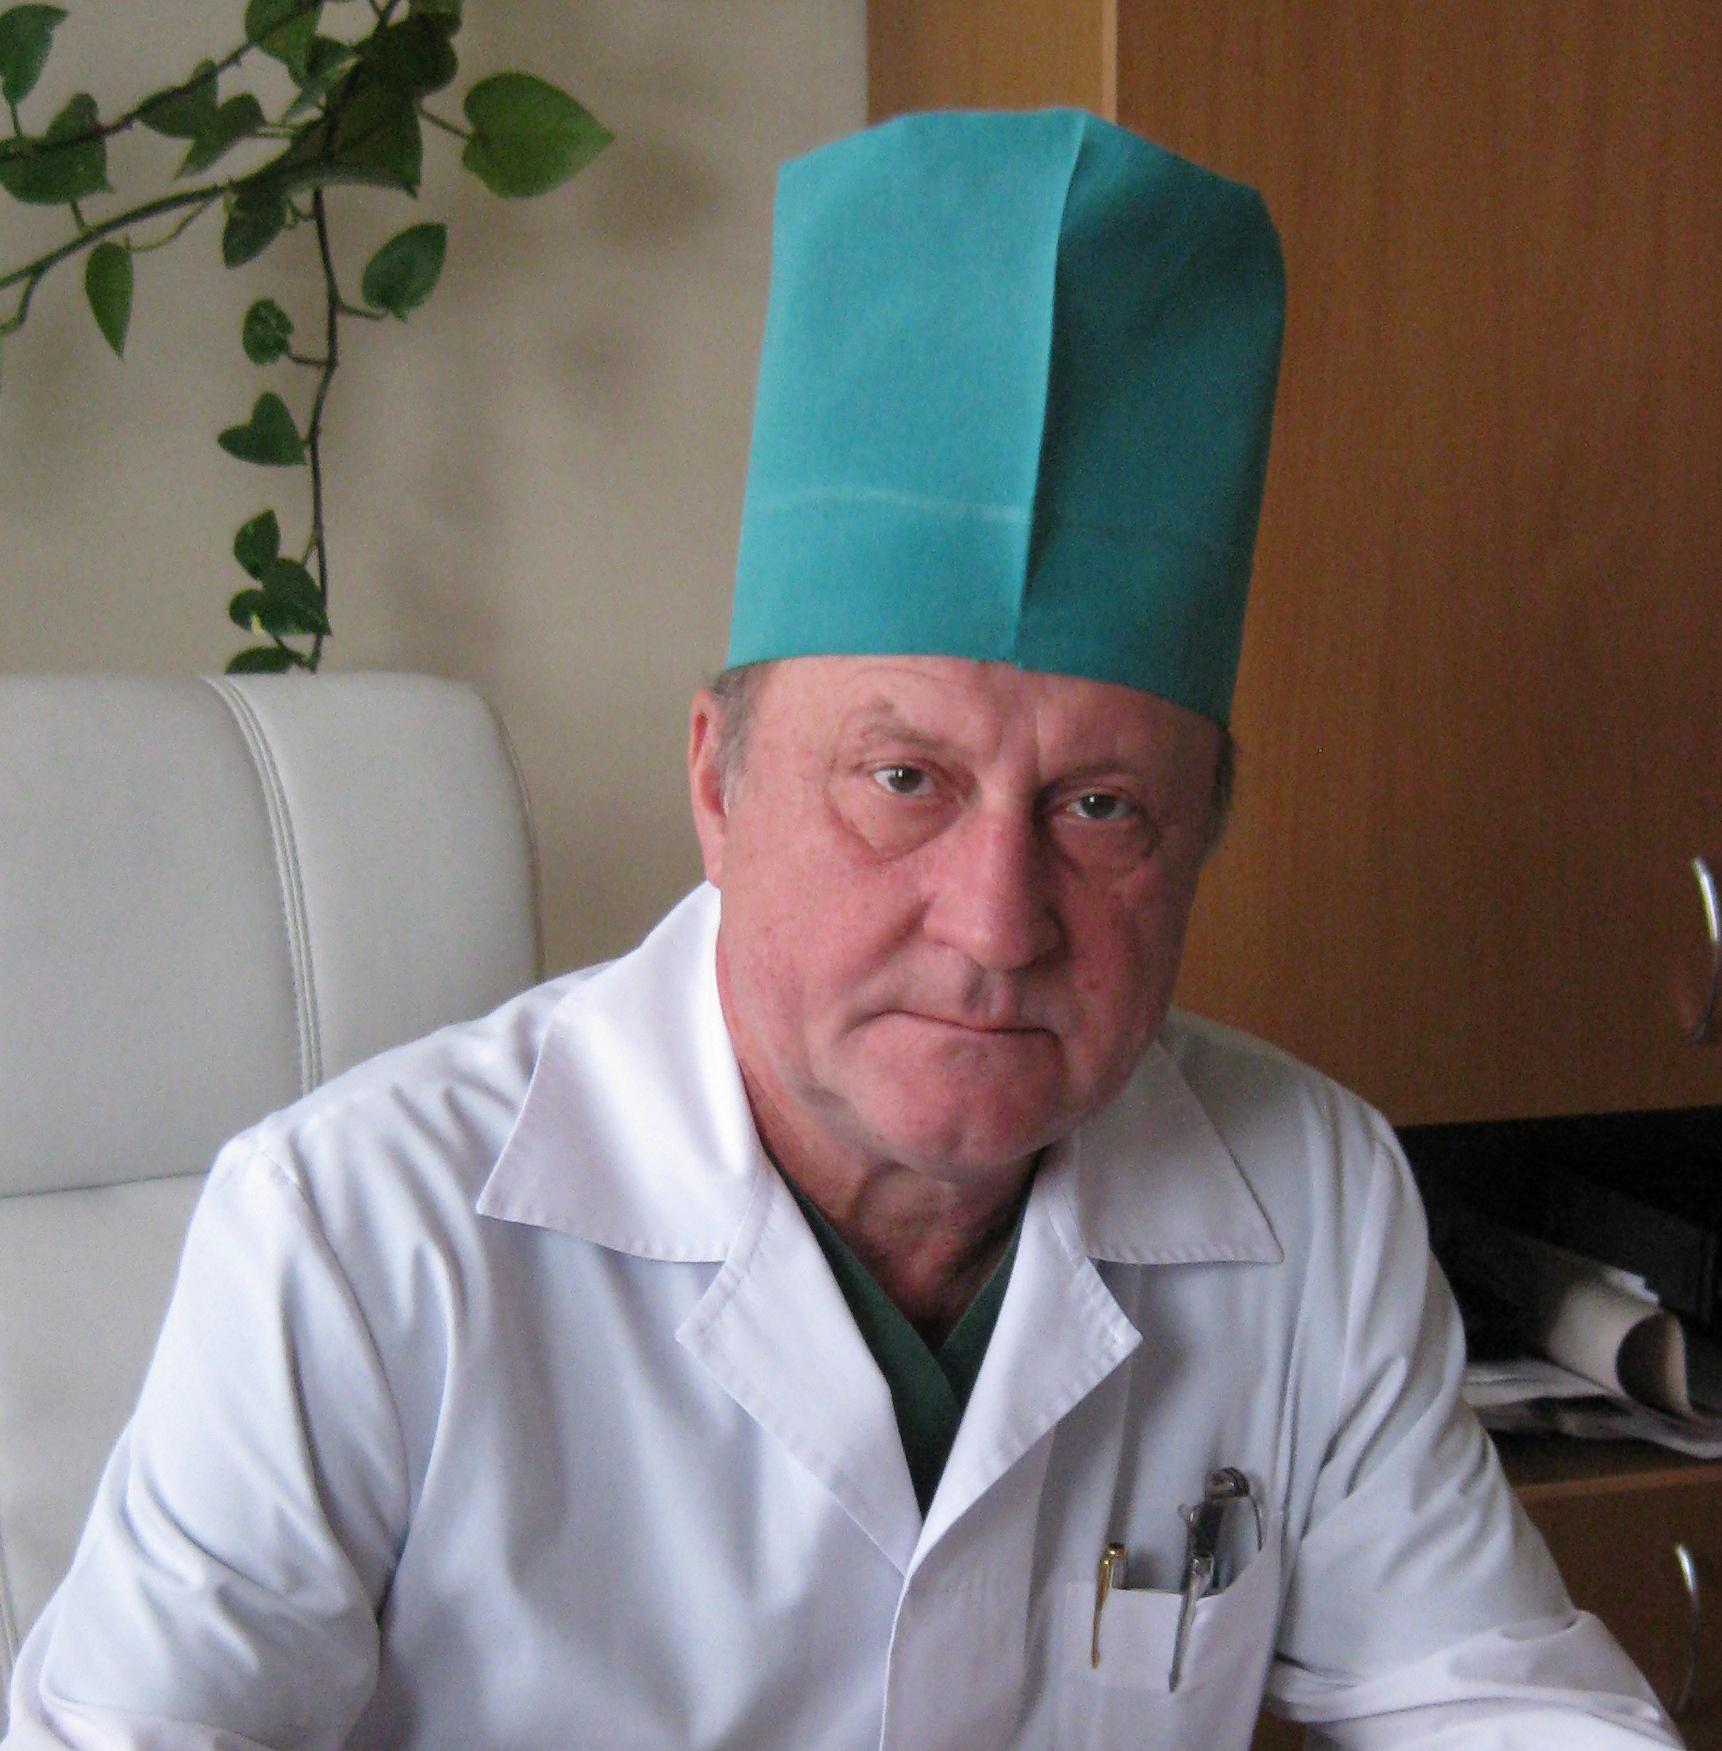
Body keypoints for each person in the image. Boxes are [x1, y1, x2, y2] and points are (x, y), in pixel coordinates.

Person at [3, 109, 1680, 1750]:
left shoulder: (1310, 1196)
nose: (997, 924)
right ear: (716, 784)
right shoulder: (351, 1233)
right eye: (901, 780)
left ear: (1200, 841)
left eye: (1101, 808)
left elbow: (1493, 1700)